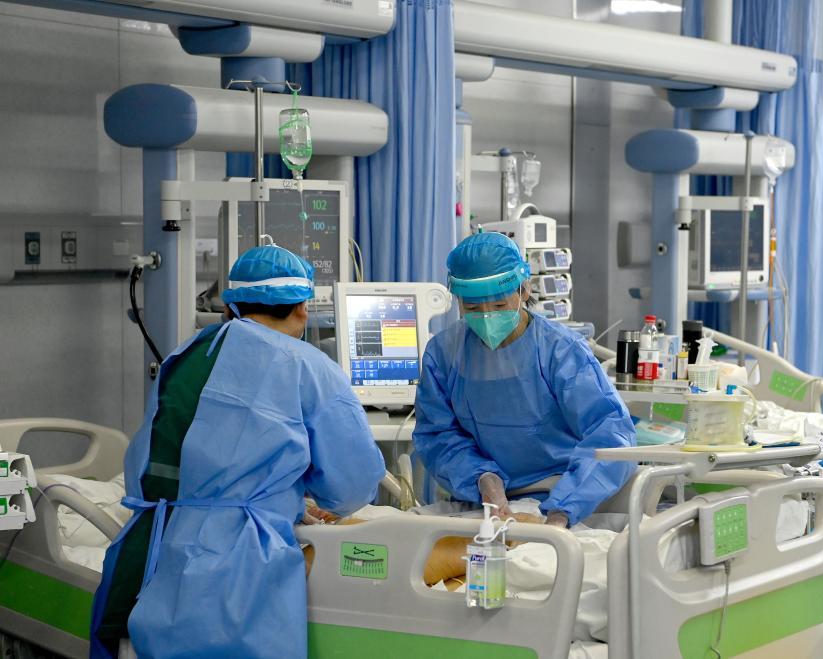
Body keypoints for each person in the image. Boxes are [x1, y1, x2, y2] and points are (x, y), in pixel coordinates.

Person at [90, 245, 385, 659]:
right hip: (238, 565)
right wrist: (276, 500)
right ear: (303, 308)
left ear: (231, 305)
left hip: (153, 548)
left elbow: (181, 462)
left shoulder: (187, 354)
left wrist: (277, 493)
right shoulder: (309, 367)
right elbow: (351, 485)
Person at [413, 232, 636, 528]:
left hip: (564, 495)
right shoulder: (444, 353)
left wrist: (562, 512)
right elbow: (438, 435)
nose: (487, 317)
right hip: (484, 500)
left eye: (498, 306)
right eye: (473, 309)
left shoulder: (560, 351)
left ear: (524, 290)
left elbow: (610, 436)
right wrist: (483, 478)